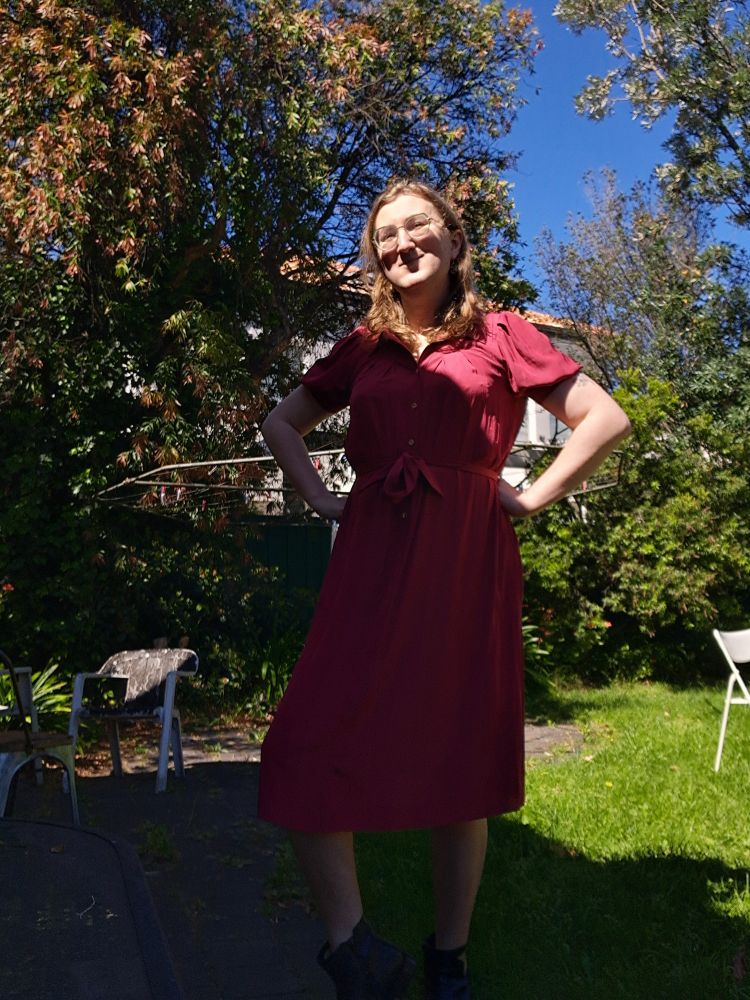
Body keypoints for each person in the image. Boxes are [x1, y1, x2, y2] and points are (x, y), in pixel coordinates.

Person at [258, 179, 631, 999]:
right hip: (370, 560)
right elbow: (283, 422)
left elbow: (603, 419)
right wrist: (317, 496)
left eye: (417, 227)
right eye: (386, 235)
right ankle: (352, 950)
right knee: (303, 743)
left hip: (467, 558)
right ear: (377, 256)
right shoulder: (362, 348)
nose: (401, 244)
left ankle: (448, 958)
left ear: (455, 241)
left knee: (460, 756)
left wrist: (531, 495)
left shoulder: (503, 334)